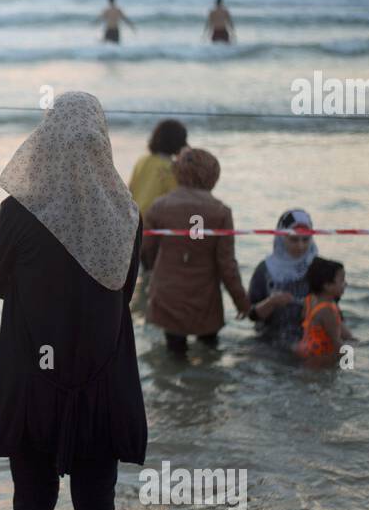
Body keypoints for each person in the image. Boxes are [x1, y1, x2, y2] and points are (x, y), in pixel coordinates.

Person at [0, 90, 146, 510]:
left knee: (31, 501)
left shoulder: (19, 212)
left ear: (47, 143)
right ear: (101, 144)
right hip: (102, 383)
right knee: (96, 507)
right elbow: (124, 290)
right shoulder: (127, 214)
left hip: (34, 380)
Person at [142, 147, 249, 354]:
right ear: (212, 176)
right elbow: (227, 265)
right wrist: (241, 302)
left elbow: (146, 251)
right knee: (210, 354)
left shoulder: (159, 206)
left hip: (168, 295)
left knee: (174, 355)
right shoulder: (220, 212)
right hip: (205, 299)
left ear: (178, 172)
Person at [248, 209, 319, 348]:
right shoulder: (265, 269)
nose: (300, 246)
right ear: (281, 236)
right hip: (267, 342)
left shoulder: (318, 268)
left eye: (306, 239)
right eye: (294, 239)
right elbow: (251, 314)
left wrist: (315, 307)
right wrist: (271, 302)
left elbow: (334, 314)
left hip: (307, 344)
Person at [295, 258, 355, 362]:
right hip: (320, 357)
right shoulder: (328, 310)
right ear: (327, 286)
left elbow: (306, 320)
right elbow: (337, 343)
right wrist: (349, 363)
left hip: (305, 348)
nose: (346, 284)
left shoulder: (310, 299)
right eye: (342, 280)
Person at [128, 119, 188, 219]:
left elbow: (131, 188)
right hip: (154, 219)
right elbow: (177, 199)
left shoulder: (142, 160)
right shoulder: (173, 168)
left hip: (135, 216)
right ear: (180, 142)